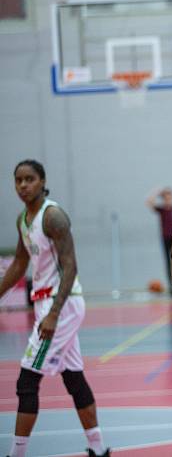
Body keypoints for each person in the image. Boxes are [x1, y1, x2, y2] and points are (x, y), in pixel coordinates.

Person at [0, 160, 109, 457]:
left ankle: (16, 454)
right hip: (45, 303)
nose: (23, 185)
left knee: (27, 381)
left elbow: (71, 266)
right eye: (18, 180)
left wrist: (53, 314)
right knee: (73, 376)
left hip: (62, 304)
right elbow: (21, 264)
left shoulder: (54, 216)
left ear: (42, 181)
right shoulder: (24, 218)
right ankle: (99, 449)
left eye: (29, 179)